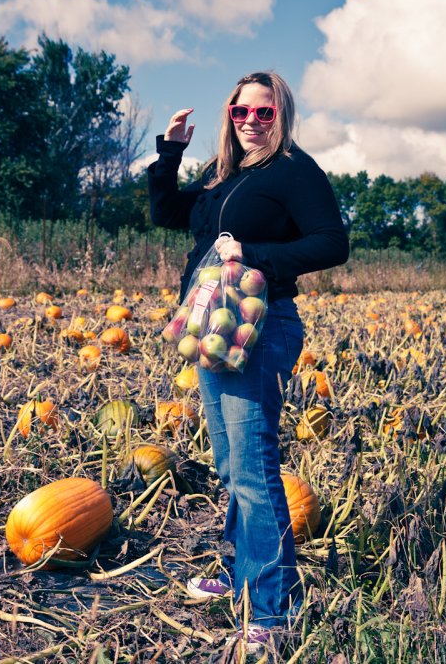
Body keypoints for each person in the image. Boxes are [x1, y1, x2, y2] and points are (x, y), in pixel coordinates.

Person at [147, 71, 349, 651]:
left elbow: (332, 242)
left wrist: (254, 252)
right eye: (241, 112)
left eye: (264, 112)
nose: (251, 122)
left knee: (256, 469)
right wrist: (170, 154)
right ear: (229, 116)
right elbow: (167, 215)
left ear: (280, 114)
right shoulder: (222, 173)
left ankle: (273, 609)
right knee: (233, 466)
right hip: (214, 323)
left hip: (260, 327)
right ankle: (241, 575)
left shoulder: (293, 169)